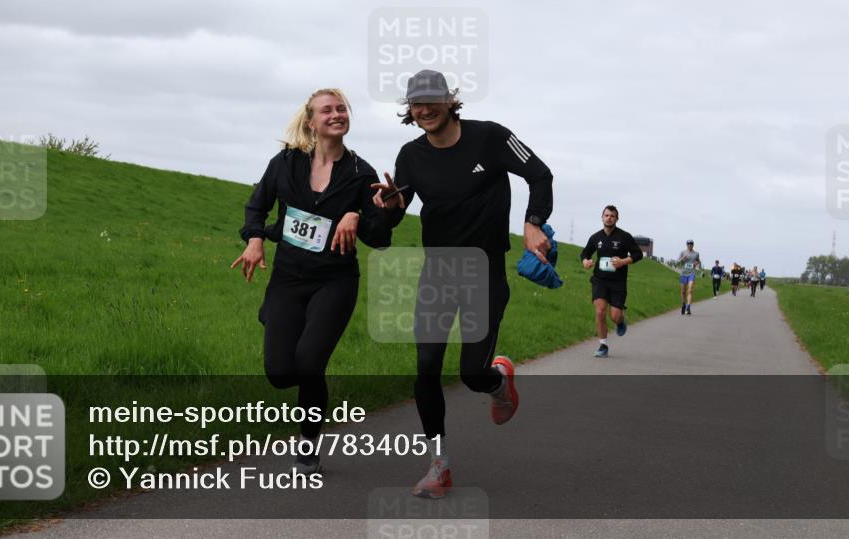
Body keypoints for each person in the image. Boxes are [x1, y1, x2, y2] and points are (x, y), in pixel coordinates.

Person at [372, 70, 552, 499]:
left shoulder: (490, 137)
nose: (425, 109)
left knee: (471, 372)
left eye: (432, 100)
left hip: (485, 270)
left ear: (450, 100)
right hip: (437, 272)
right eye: (416, 104)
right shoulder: (410, 155)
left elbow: (540, 175)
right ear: (409, 111)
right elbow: (397, 212)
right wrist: (392, 205)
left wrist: (532, 224)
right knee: (426, 366)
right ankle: (439, 465)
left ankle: (498, 381)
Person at [233, 88, 392, 476]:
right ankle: (272, 312)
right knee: (279, 374)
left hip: (334, 281)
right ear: (311, 121)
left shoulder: (361, 173)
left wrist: (368, 213)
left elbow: (380, 238)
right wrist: (255, 240)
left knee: (309, 363)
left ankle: (308, 447)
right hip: (287, 279)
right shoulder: (286, 162)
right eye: (327, 110)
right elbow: (257, 205)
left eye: (342, 109)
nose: (336, 114)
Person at [580, 205, 644, 358]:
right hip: (599, 280)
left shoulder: (624, 236)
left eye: (612, 216)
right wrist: (585, 261)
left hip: (618, 282)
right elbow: (585, 253)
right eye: (606, 215)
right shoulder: (596, 237)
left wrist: (623, 261)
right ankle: (603, 345)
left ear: (617, 219)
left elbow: (638, 254)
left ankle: (620, 322)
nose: (609, 218)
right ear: (602, 217)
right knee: (600, 311)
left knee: (615, 316)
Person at [676, 240, 701, 315]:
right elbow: (677, 262)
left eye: (691, 244)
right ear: (686, 245)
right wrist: (682, 259)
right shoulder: (683, 252)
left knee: (690, 290)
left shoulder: (696, 253)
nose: (690, 245)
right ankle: (683, 304)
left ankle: (688, 307)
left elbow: (698, 261)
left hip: (691, 274)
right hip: (683, 273)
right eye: (688, 244)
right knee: (683, 291)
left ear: (693, 245)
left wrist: (696, 263)